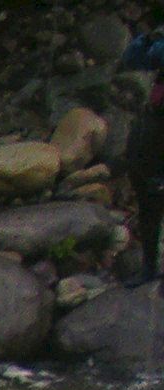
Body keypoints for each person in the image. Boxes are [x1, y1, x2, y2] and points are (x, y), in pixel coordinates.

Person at [122, 24, 164, 280]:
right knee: (148, 202)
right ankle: (149, 267)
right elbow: (132, 59)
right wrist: (148, 38)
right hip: (153, 128)